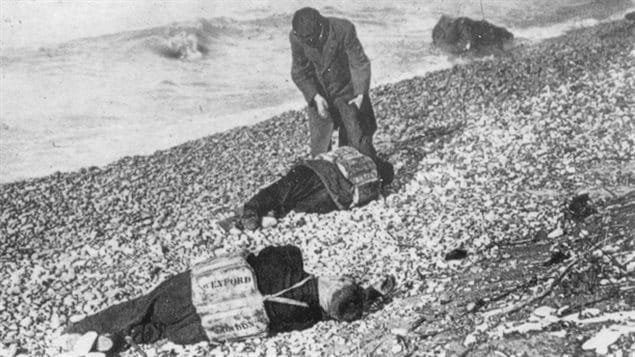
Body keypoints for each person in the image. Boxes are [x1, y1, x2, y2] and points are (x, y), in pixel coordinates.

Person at [55, 245, 392, 355]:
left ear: (337, 281)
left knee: (144, 305)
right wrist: (370, 297)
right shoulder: (307, 318)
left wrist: (370, 292)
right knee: (160, 330)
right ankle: (113, 343)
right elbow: (341, 308)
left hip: (197, 293)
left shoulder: (293, 261)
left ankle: (81, 330)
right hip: (203, 328)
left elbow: (264, 253)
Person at [290, 7, 379, 161]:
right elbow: (300, 72)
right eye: (304, 39)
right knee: (320, 149)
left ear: (320, 28)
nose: (307, 43)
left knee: (359, 143)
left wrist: (360, 94)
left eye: (310, 39)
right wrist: (315, 97)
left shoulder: (343, 29)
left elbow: (359, 63)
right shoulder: (297, 37)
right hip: (321, 94)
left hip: (347, 90)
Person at [234, 146, 394, 231]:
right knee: (298, 206)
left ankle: (252, 211)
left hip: (317, 172)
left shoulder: (359, 155)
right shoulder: (375, 185)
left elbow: (328, 156)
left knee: (281, 189)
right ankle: (271, 213)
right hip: (332, 196)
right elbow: (356, 200)